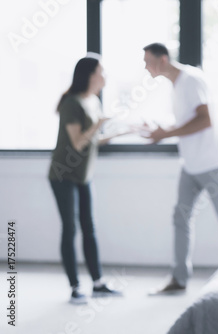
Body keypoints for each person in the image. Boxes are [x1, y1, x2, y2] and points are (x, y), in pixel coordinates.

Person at [142, 43, 218, 293]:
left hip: (211, 163)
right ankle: (179, 279)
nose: (145, 67)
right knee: (180, 218)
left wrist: (166, 133)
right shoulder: (176, 85)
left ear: (162, 60)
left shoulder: (191, 79)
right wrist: (162, 129)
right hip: (190, 165)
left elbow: (204, 120)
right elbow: (187, 122)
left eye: (148, 61)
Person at [49, 54, 128, 304]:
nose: (105, 76)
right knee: (70, 229)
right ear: (90, 75)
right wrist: (99, 125)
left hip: (83, 176)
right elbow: (79, 141)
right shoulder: (72, 103)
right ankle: (75, 288)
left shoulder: (93, 101)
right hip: (63, 175)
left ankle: (98, 283)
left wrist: (121, 131)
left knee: (89, 228)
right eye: (101, 71)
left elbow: (92, 140)